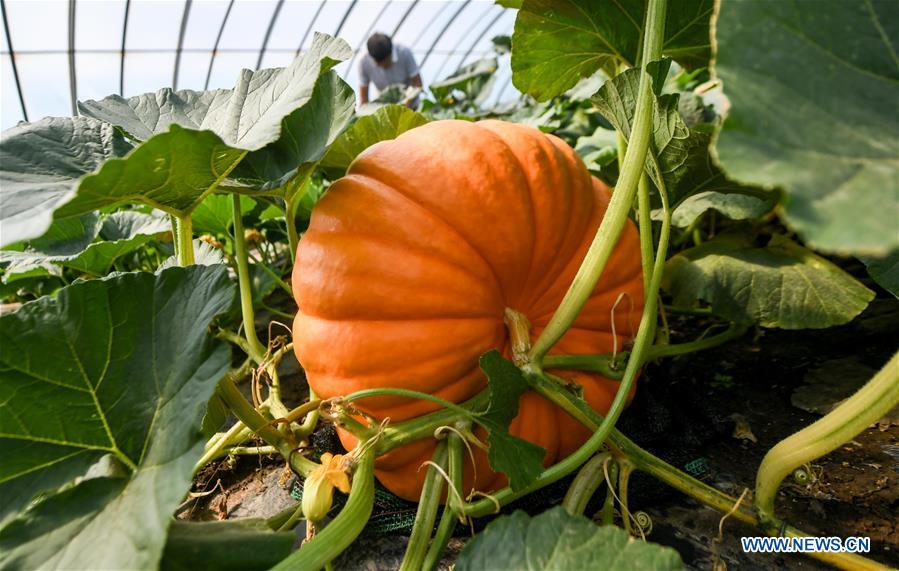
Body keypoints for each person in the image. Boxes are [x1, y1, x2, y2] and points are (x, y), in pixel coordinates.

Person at [358, 33, 422, 105]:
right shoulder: (364, 62)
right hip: (384, 106)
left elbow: (417, 83)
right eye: (379, 64)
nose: (383, 66)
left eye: (386, 62)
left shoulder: (404, 53)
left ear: (391, 52)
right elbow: (364, 98)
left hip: (410, 103)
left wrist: (406, 106)